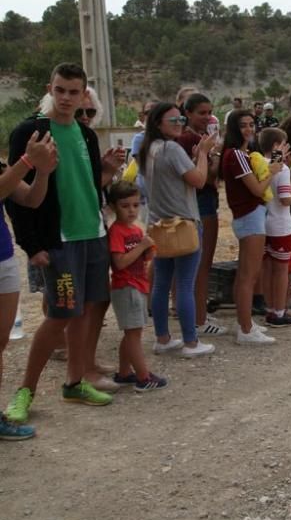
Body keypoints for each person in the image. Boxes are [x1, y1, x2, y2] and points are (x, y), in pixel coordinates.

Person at [4, 63, 126, 424]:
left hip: (93, 235)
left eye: (75, 92)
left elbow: (88, 187)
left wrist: (106, 173)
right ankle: (25, 390)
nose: (67, 99)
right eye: (61, 91)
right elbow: (14, 193)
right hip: (61, 242)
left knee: (85, 313)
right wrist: (32, 244)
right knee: (58, 317)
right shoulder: (31, 132)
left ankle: (74, 381)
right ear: (50, 89)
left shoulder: (86, 134)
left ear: (84, 94)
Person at [139, 102, 216, 358]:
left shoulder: (149, 148)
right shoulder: (171, 148)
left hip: (158, 223)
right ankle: (191, 342)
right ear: (158, 122)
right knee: (184, 283)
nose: (179, 124)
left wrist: (194, 159)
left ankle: (162, 337)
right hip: (183, 223)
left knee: (162, 283)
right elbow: (198, 180)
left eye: (180, 120)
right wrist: (203, 154)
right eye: (173, 121)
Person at [0, 121, 58, 439]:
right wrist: (27, 162)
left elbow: (31, 200)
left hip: (4, 258)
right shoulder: (17, 163)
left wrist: (44, 172)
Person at [222, 109, 281, 344]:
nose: (248, 129)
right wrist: (274, 171)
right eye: (243, 125)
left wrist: (275, 162)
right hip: (249, 215)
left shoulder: (241, 153)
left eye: (251, 124)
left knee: (246, 274)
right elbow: (257, 189)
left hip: (250, 215)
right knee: (248, 275)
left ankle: (244, 323)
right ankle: (245, 330)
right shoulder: (235, 154)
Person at [106, 181, 167, 391]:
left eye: (135, 205)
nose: (131, 210)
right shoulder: (117, 231)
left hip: (138, 285)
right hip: (126, 286)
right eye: (125, 206)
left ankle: (124, 372)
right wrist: (141, 246)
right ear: (114, 207)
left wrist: (148, 250)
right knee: (133, 334)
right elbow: (120, 262)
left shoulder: (135, 229)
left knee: (133, 332)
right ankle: (143, 377)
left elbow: (143, 255)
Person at [177, 93, 227, 337]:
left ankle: (197, 312)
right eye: (201, 113)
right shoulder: (188, 139)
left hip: (203, 202)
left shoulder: (198, 138)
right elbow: (205, 178)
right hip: (201, 204)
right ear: (188, 113)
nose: (207, 117)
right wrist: (210, 155)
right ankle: (199, 319)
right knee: (201, 264)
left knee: (197, 264)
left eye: (209, 112)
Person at [259, 128, 291, 328]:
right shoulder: (282, 169)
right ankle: (279, 311)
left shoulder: (257, 163)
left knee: (267, 268)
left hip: (263, 223)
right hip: (280, 226)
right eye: (284, 144)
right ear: (276, 146)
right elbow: (284, 199)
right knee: (281, 270)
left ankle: (268, 307)